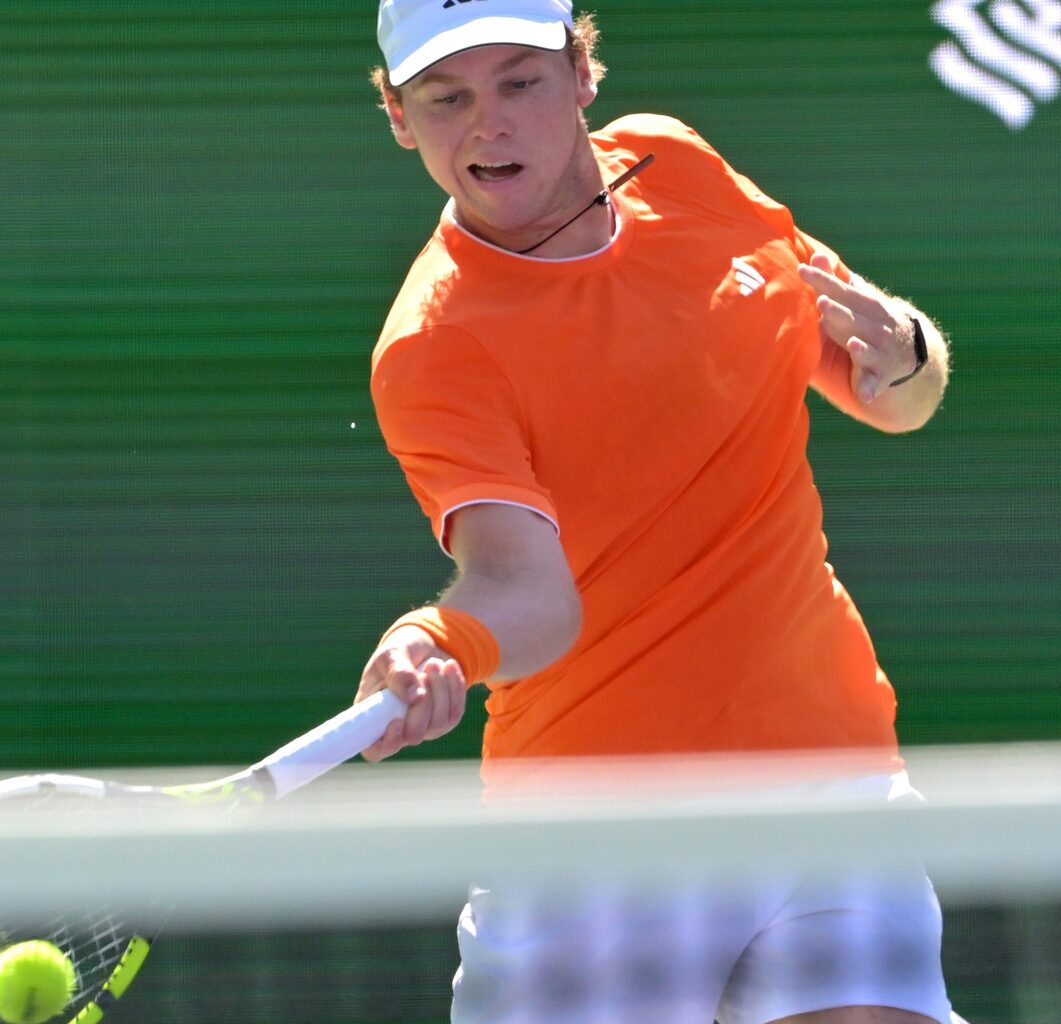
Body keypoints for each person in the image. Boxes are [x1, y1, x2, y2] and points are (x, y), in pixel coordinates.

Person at [352, 3, 960, 1023]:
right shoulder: (435, 344)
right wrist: (439, 635)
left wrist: (901, 348)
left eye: (519, 82)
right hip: (598, 827)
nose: (486, 124)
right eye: (445, 98)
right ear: (400, 120)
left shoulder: (677, 164)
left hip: (827, 768)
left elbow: (897, 394)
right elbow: (526, 591)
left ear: (582, 72)